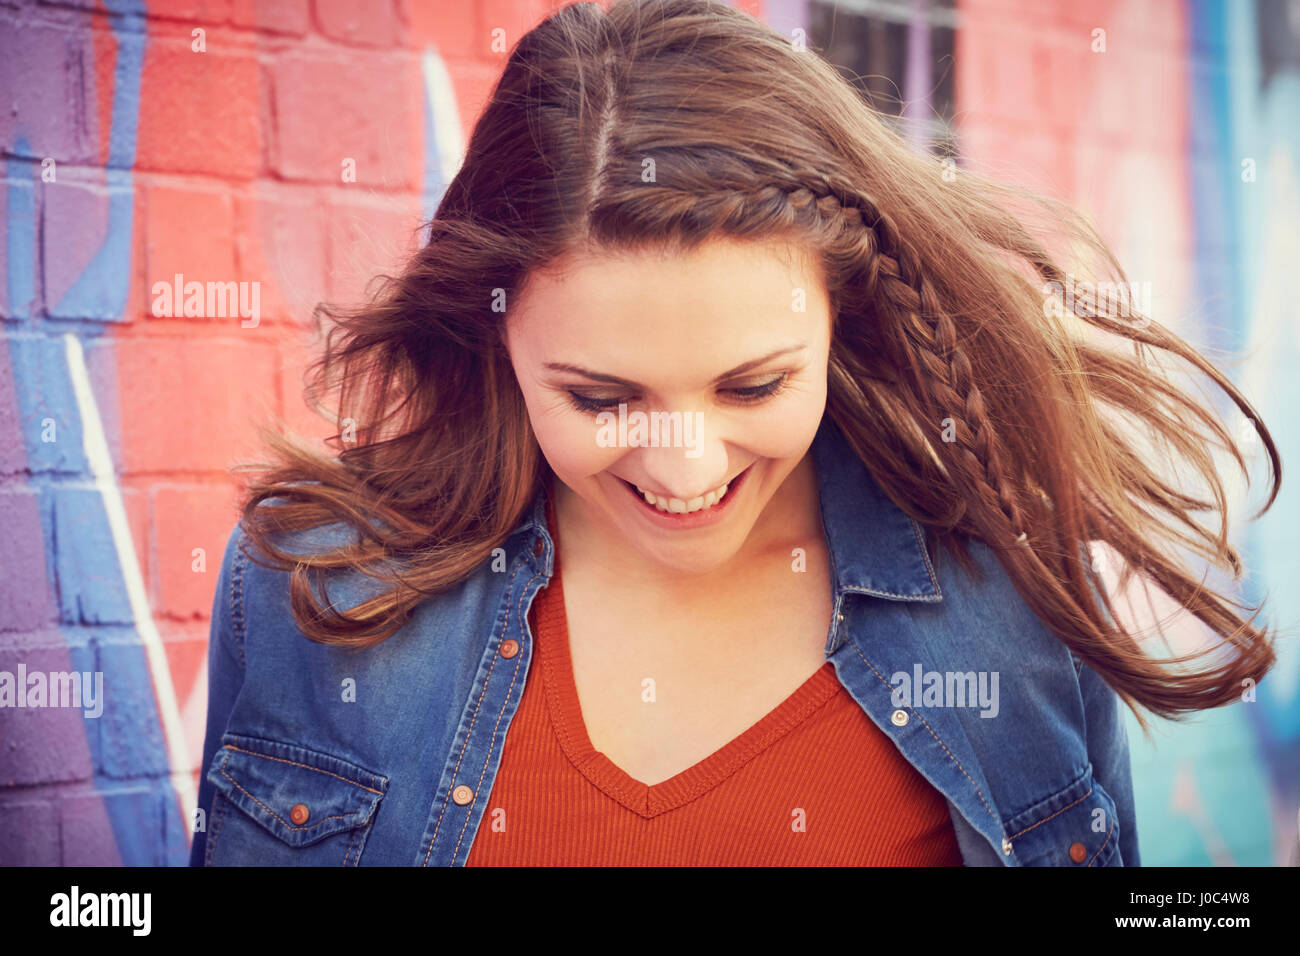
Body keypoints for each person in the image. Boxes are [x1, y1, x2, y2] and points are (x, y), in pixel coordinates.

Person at [188, 0, 1279, 867]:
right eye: (603, 398)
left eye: (752, 385)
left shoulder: (1002, 602)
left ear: (840, 316)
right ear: (493, 331)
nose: (685, 466)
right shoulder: (322, 588)